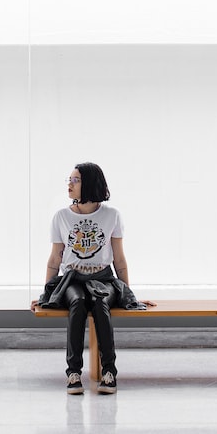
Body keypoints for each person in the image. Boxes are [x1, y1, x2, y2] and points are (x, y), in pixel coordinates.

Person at [38, 161, 148, 395]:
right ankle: (73, 373)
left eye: (75, 180)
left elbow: (119, 259)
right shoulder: (61, 217)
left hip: (103, 279)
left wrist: (128, 294)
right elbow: (55, 259)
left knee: (100, 303)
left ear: (89, 184)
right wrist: (45, 293)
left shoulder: (112, 215)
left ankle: (109, 372)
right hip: (72, 280)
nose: (70, 184)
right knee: (77, 303)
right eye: (69, 180)